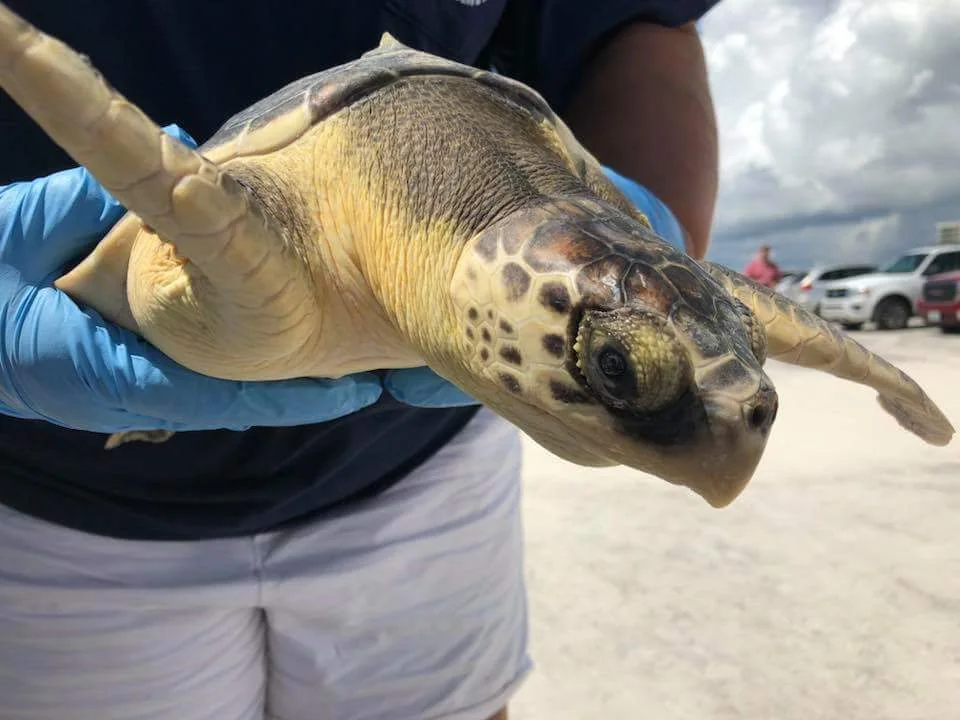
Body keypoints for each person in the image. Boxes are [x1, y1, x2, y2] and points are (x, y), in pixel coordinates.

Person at [0, 1, 721, 718]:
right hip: (54, 493)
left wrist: (655, 251)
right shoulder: (251, 268)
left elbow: (635, 21)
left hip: (420, 466)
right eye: (617, 366)